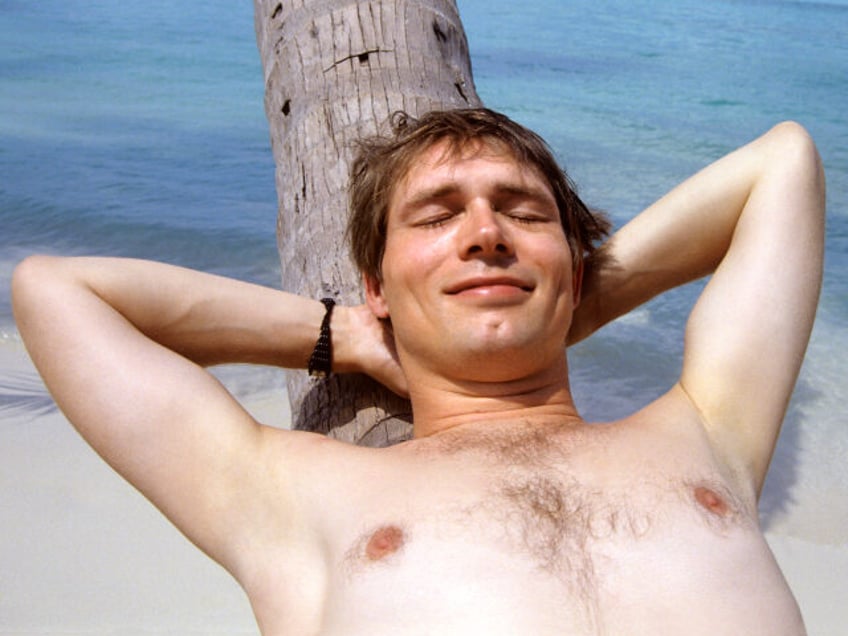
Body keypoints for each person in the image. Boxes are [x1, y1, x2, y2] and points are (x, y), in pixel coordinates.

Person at [12, 108, 824, 635]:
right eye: (439, 216)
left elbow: (783, 165)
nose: (485, 234)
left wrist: (568, 296)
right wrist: (346, 335)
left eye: (523, 213)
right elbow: (55, 292)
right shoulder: (289, 498)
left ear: (574, 270)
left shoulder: (710, 428)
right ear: (377, 287)